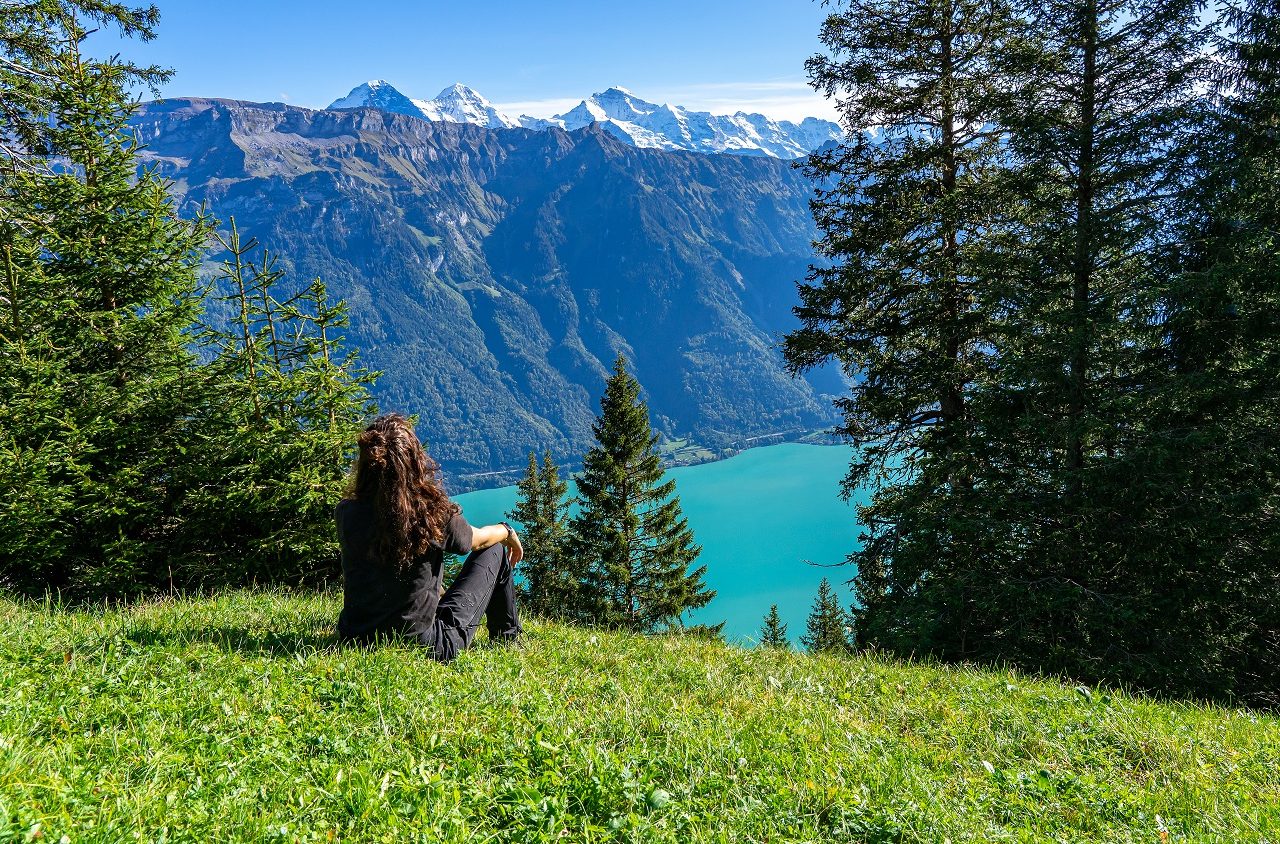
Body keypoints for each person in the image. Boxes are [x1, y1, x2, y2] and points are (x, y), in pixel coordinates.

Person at [334, 413, 524, 661]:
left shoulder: (346, 512)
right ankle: (507, 638)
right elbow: (476, 541)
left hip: (356, 637)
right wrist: (506, 532)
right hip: (425, 646)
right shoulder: (429, 513)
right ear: (413, 462)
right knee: (495, 550)